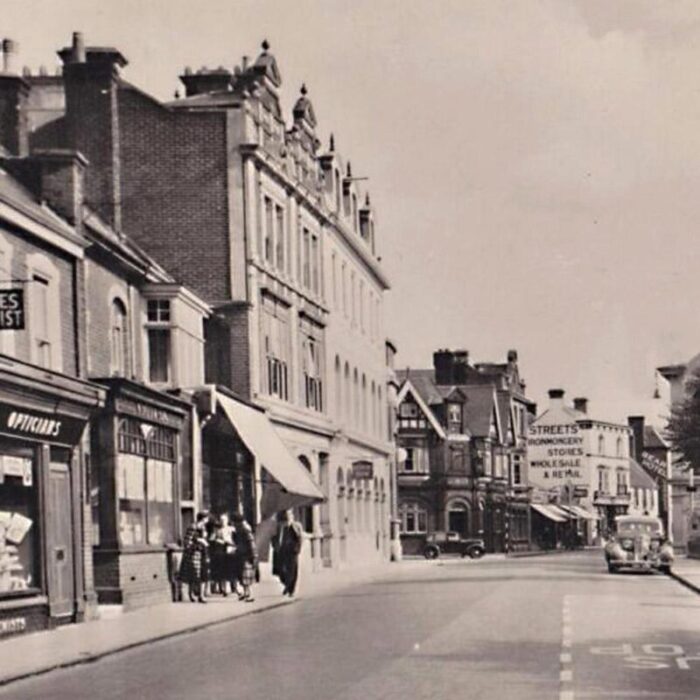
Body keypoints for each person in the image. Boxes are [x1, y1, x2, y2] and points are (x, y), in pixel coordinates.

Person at [179, 512, 210, 603]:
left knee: (203, 574)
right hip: (194, 554)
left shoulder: (203, 528)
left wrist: (204, 543)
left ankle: (201, 595)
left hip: (203, 553)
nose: (207, 520)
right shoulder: (193, 527)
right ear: (203, 519)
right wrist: (198, 543)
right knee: (194, 575)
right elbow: (187, 542)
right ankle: (191, 594)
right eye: (206, 518)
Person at [274, 509, 303, 597]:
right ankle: (286, 584)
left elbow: (299, 539)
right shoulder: (279, 527)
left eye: (289, 516)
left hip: (292, 551)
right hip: (281, 551)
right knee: (280, 571)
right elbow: (275, 538)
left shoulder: (295, 526)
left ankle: (291, 590)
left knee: (292, 571)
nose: (286, 521)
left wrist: (297, 549)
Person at [232, 512, 258, 602]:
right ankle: (246, 592)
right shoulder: (240, 529)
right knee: (242, 574)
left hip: (246, 555)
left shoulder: (245, 530)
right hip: (242, 554)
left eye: (234, 523)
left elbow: (251, 543)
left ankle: (248, 593)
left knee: (245, 574)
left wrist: (254, 555)